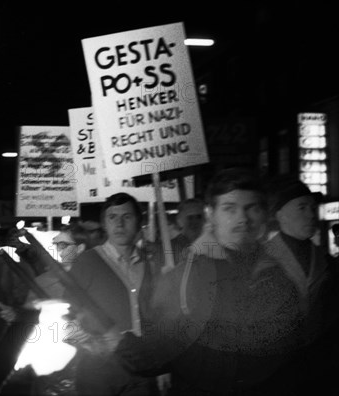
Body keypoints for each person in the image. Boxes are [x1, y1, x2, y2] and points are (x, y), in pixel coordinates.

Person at [115, 167, 303, 395]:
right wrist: (117, 342)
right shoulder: (184, 278)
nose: (242, 218)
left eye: (251, 208)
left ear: (264, 214)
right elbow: (156, 354)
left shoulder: (276, 275)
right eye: (229, 209)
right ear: (211, 214)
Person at [67, 192, 159, 396]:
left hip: (143, 367)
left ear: (138, 222)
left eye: (127, 217)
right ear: (104, 224)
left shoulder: (151, 263)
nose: (119, 224)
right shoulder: (87, 262)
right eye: (112, 217)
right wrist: (87, 340)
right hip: (100, 372)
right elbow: (68, 312)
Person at [264, 177, 339, 393]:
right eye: (302, 207)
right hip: (278, 372)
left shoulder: (326, 261)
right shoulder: (261, 259)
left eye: (313, 208)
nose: (310, 214)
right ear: (280, 215)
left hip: (321, 369)